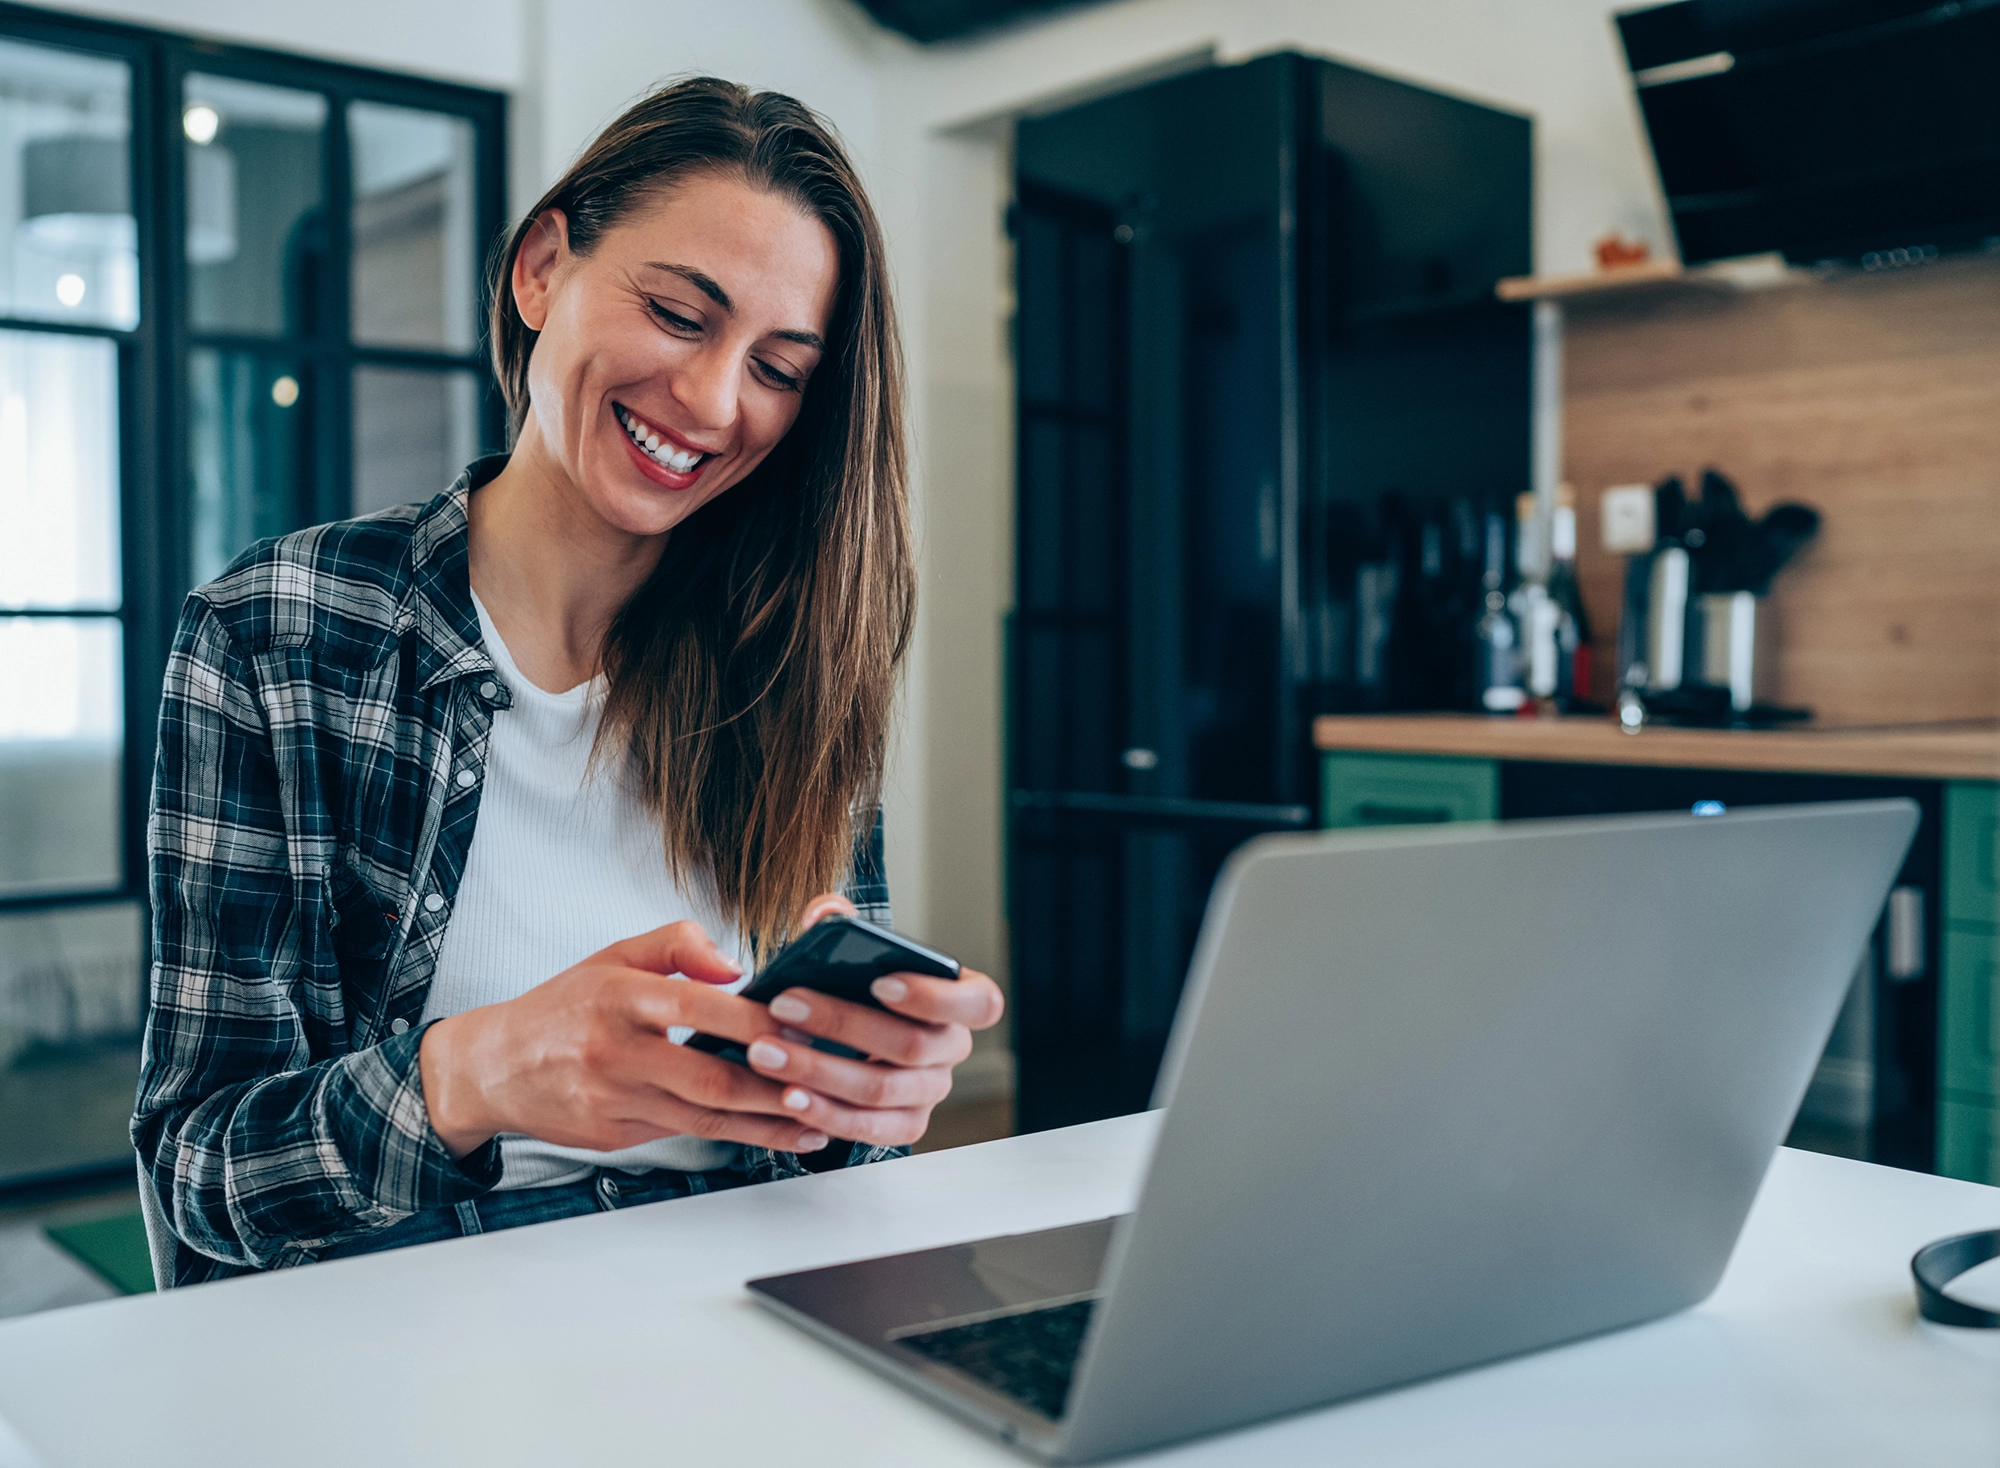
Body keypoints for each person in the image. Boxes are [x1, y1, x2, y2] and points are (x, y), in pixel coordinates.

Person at [134, 77, 1004, 1286]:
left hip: (740, 1293)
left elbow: (825, 1165)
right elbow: (198, 1171)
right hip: (420, 1317)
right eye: (677, 312)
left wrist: (860, 1094)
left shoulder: (794, 652)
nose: (711, 401)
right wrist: (477, 1074)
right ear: (541, 267)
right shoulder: (277, 633)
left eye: (780, 366)